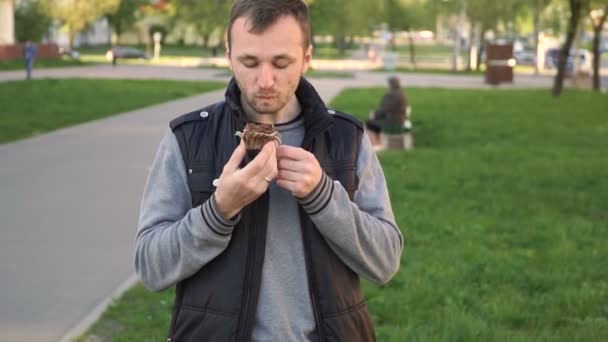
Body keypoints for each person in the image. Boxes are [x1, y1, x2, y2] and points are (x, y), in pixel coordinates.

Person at [135, 0, 403, 341]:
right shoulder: (188, 139)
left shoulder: (346, 138)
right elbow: (150, 267)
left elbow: (385, 262)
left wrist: (323, 197)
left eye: (281, 63)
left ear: (307, 57)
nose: (264, 80)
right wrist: (219, 211)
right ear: (229, 55)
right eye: (249, 62)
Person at [365, 76, 410, 146]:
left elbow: (385, 109)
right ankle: (377, 143)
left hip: (394, 121)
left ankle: (377, 143)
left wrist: (374, 115)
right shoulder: (400, 93)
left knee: (370, 123)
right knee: (373, 121)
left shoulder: (394, 95)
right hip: (399, 119)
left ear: (391, 85)